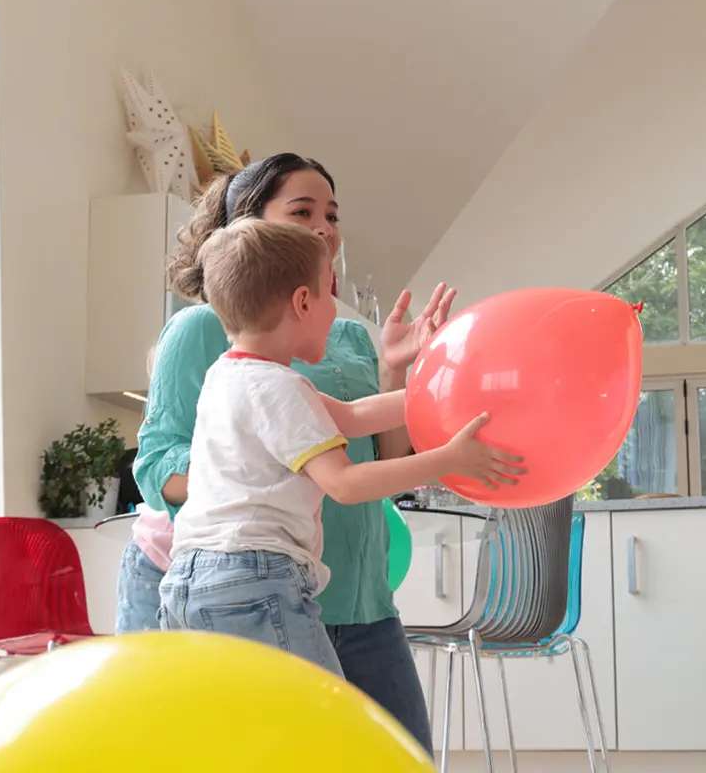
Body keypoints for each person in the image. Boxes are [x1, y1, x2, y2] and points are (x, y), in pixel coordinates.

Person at [118, 152, 460, 753]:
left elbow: (376, 441)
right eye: (302, 211)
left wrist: (400, 372)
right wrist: (242, 476)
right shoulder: (205, 330)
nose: (325, 226)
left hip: (359, 593)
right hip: (261, 591)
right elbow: (153, 464)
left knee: (401, 758)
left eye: (332, 213)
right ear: (252, 224)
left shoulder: (347, 333)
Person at [157, 218, 522, 675]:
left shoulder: (229, 376)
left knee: (253, 728)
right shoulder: (278, 388)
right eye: (331, 294)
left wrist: (449, 391)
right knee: (324, 720)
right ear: (303, 302)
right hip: (257, 580)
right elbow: (344, 483)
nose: (336, 310)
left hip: (191, 580)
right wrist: (449, 459)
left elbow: (353, 416)